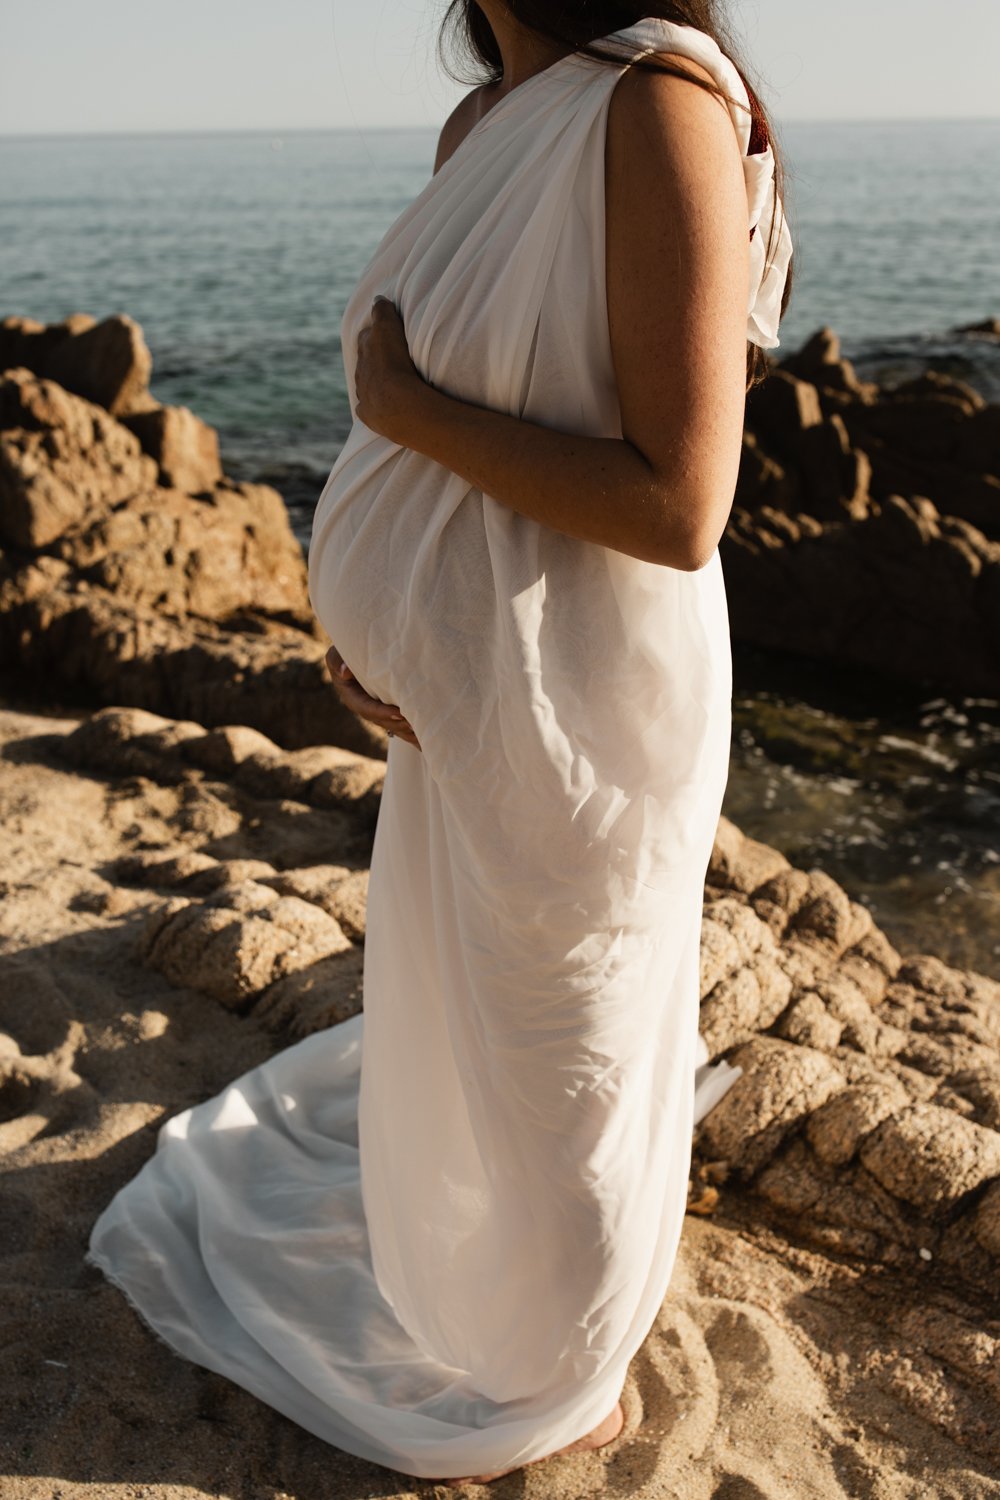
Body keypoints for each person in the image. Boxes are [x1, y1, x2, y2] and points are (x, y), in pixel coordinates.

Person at [86, 2, 792, 1487]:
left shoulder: (657, 104)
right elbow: (439, 447)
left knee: (571, 1020)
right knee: (482, 1008)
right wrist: (377, 631)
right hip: (464, 688)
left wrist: (401, 407)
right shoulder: (480, 130)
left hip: (596, 682)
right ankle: (502, 1298)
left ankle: (562, 1366)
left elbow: (680, 504)